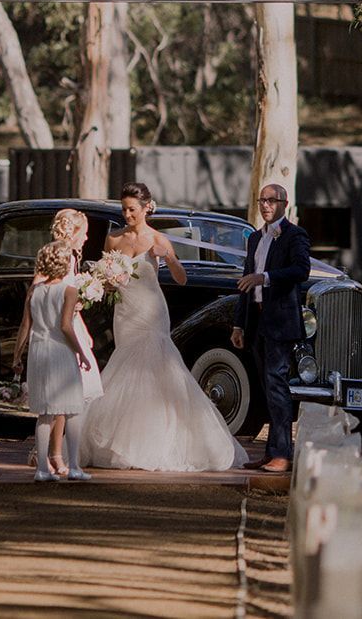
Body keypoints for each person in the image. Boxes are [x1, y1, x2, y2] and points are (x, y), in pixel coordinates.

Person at [80, 183, 246, 472]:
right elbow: (106, 284)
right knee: (126, 369)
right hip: (125, 313)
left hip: (151, 312)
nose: (127, 214)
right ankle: (122, 436)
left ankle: (151, 442)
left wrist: (167, 256)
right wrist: (105, 282)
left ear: (147, 208)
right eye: (124, 209)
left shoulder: (158, 238)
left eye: (132, 209)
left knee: (157, 368)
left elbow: (181, 278)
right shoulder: (113, 239)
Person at [14, 209, 102, 474]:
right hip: (57, 334)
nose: (86, 238)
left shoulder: (72, 258)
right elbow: (37, 289)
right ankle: (50, 455)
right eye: (84, 232)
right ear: (72, 232)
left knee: (64, 401)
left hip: (65, 327)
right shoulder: (58, 256)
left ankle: (55, 455)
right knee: (60, 399)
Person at [231, 182, 311, 473]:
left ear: (284, 204)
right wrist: (239, 323)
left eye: (271, 200)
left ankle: (282, 454)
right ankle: (270, 452)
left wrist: (264, 277)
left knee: (277, 384)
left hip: (280, 321)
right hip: (256, 321)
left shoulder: (294, 235)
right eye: (261, 200)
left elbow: (301, 270)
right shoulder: (254, 238)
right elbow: (244, 281)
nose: (265, 205)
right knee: (266, 387)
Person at [24, 240, 93, 482]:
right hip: (60, 351)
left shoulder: (34, 291)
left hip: (38, 352)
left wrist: (16, 357)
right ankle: (73, 465)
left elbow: (25, 325)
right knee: (72, 409)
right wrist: (82, 354)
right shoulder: (69, 291)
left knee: (44, 413)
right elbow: (65, 326)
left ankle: (41, 468)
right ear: (64, 264)